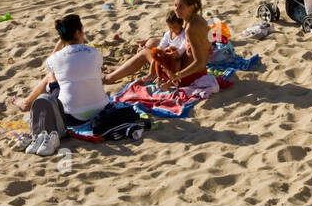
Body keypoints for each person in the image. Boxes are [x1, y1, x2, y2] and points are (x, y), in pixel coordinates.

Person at [10, 14, 109, 155]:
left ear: (61, 38)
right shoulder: (95, 52)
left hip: (73, 117)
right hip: (102, 110)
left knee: (51, 75)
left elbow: (50, 65)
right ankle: (26, 102)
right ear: (77, 32)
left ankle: (26, 102)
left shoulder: (54, 58)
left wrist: (61, 42)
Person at [103, 10, 187, 85]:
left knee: (144, 53)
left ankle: (109, 78)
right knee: (151, 43)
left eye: (174, 27)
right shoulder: (169, 33)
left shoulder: (185, 34)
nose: (172, 29)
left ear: (182, 23)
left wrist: (152, 51)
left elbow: (182, 47)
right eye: (170, 27)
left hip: (174, 64)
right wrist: (158, 50)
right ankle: (123, 69)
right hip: (166, 56)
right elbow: (162, 43)